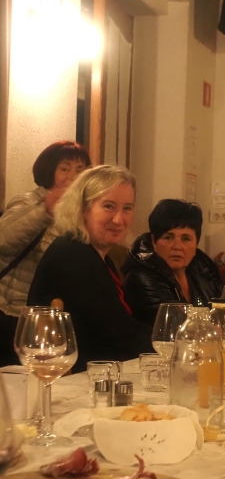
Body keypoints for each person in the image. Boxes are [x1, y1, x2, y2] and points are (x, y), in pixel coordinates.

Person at [27, 165, 154, 371]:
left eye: (127, 208)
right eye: (108, 206)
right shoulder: (74, 255)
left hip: (94, 375)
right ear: (83, 210)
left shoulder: (95, 254)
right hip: (68, 381)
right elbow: (120, 331)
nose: (118, 219)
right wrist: (180, 344)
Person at [0, 141, 90, 364]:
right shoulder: (29, 201)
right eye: (65, 168)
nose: (73, 176)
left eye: (80, 169)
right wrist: (45, 210)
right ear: (49, 171)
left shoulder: (82, 211)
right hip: (12, 312)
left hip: (51, 315)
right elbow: (4, 240)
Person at [122, 199, 223, 326]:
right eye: (168, 237)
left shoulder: (204, 272)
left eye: (186, 239)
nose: (177, 246)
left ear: (196, 244)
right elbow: (178, 327)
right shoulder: (141, 277)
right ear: (153, 241)